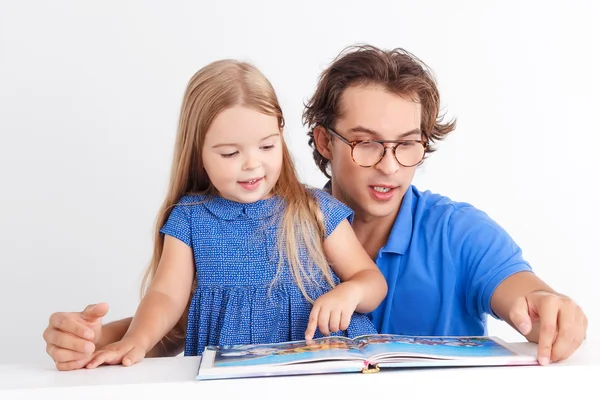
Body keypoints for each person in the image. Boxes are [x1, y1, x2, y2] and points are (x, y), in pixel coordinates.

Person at [43, 45, 587, 370]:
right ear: (323, 143)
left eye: (409, 143)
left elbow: (525, 293)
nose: (391, 166)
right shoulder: (273, 221)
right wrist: (100, 339)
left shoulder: (458, 232)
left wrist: (545, 305)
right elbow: (199, 317)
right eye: (367, 142)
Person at [48, 58, 388, 370]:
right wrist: (134, 340)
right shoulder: (190, 220)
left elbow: (371, 280)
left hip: (327, 369)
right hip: (234, 377)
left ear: (281, 135)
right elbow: (166, 295)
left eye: (267, 146)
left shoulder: (312, 209)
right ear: (198, 153)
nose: (252, 163)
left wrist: (351, 292)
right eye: (229, 153)